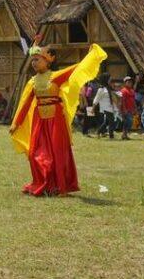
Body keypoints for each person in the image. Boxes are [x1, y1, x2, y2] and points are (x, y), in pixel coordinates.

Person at [9, 40, 106, 197]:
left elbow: (76, 68)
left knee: (57, 152)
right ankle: (41, 182)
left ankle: (60, 187)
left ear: (48, 61)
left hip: (56, 119)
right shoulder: (32, 82)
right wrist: (16, 123)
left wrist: (91, 55)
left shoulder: (55, 76)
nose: (34, 63)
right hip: (39, 119)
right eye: (32, 60)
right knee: (35, 152)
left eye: (37, 59)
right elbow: (25, 104)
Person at [94, 73, 116, 139]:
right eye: (109, 79)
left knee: (106, 122)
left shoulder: (109, 88)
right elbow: (96, 99)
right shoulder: (101, 89)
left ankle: (98, 132)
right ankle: (111, 136)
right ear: (106, 79)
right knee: (112, 121)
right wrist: (93, 108)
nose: (110, 80)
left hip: (110, 107)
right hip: (105, 107)